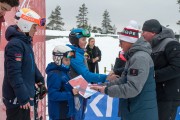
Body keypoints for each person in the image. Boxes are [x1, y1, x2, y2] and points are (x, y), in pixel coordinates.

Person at [91, 21, 158, 120]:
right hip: (134, 109)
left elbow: (133, 88)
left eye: (121, 42)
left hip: (139, 112)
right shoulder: (134, 56)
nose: (119, 45)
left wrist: (106, 90)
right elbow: (125, 79)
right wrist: (105, 85)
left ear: (129, 41)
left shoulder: (140, 58)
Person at [2, 8, 46, 120]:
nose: (36, 30)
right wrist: (22, 96)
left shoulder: (25, 43)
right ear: (26, 25)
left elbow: (31, 66)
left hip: (24, 97)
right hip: (17, 99)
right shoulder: (15, 45)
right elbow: (14, 74)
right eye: (34, 26)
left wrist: (40, 81)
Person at [67, 28, 117, 120]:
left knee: (81, 115)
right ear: (75, 41)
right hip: (75, 90)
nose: (85, 42)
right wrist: (106, 77)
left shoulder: (78, 53)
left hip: (79, 87)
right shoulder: (74, 55)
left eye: (86, 39)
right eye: (83, 39)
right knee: (76, 116)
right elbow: (86, 75)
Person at [142, 19, 180, 120]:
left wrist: (153, 75)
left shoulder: (171, 44)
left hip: (168, 96)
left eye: (144, 31)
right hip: (155, 94)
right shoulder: (151, 46)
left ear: (153, 32)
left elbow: (177, 68)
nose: (142, 34)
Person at [46, 45, 78, 120]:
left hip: (66, 112)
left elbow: (64, 88)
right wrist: (71, 93)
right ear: (58, 59)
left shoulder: (64, 72)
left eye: (70, 60)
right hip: (59, 114)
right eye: (66, 60)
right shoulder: (55, 74)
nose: (69, 63)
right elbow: (52, 95)